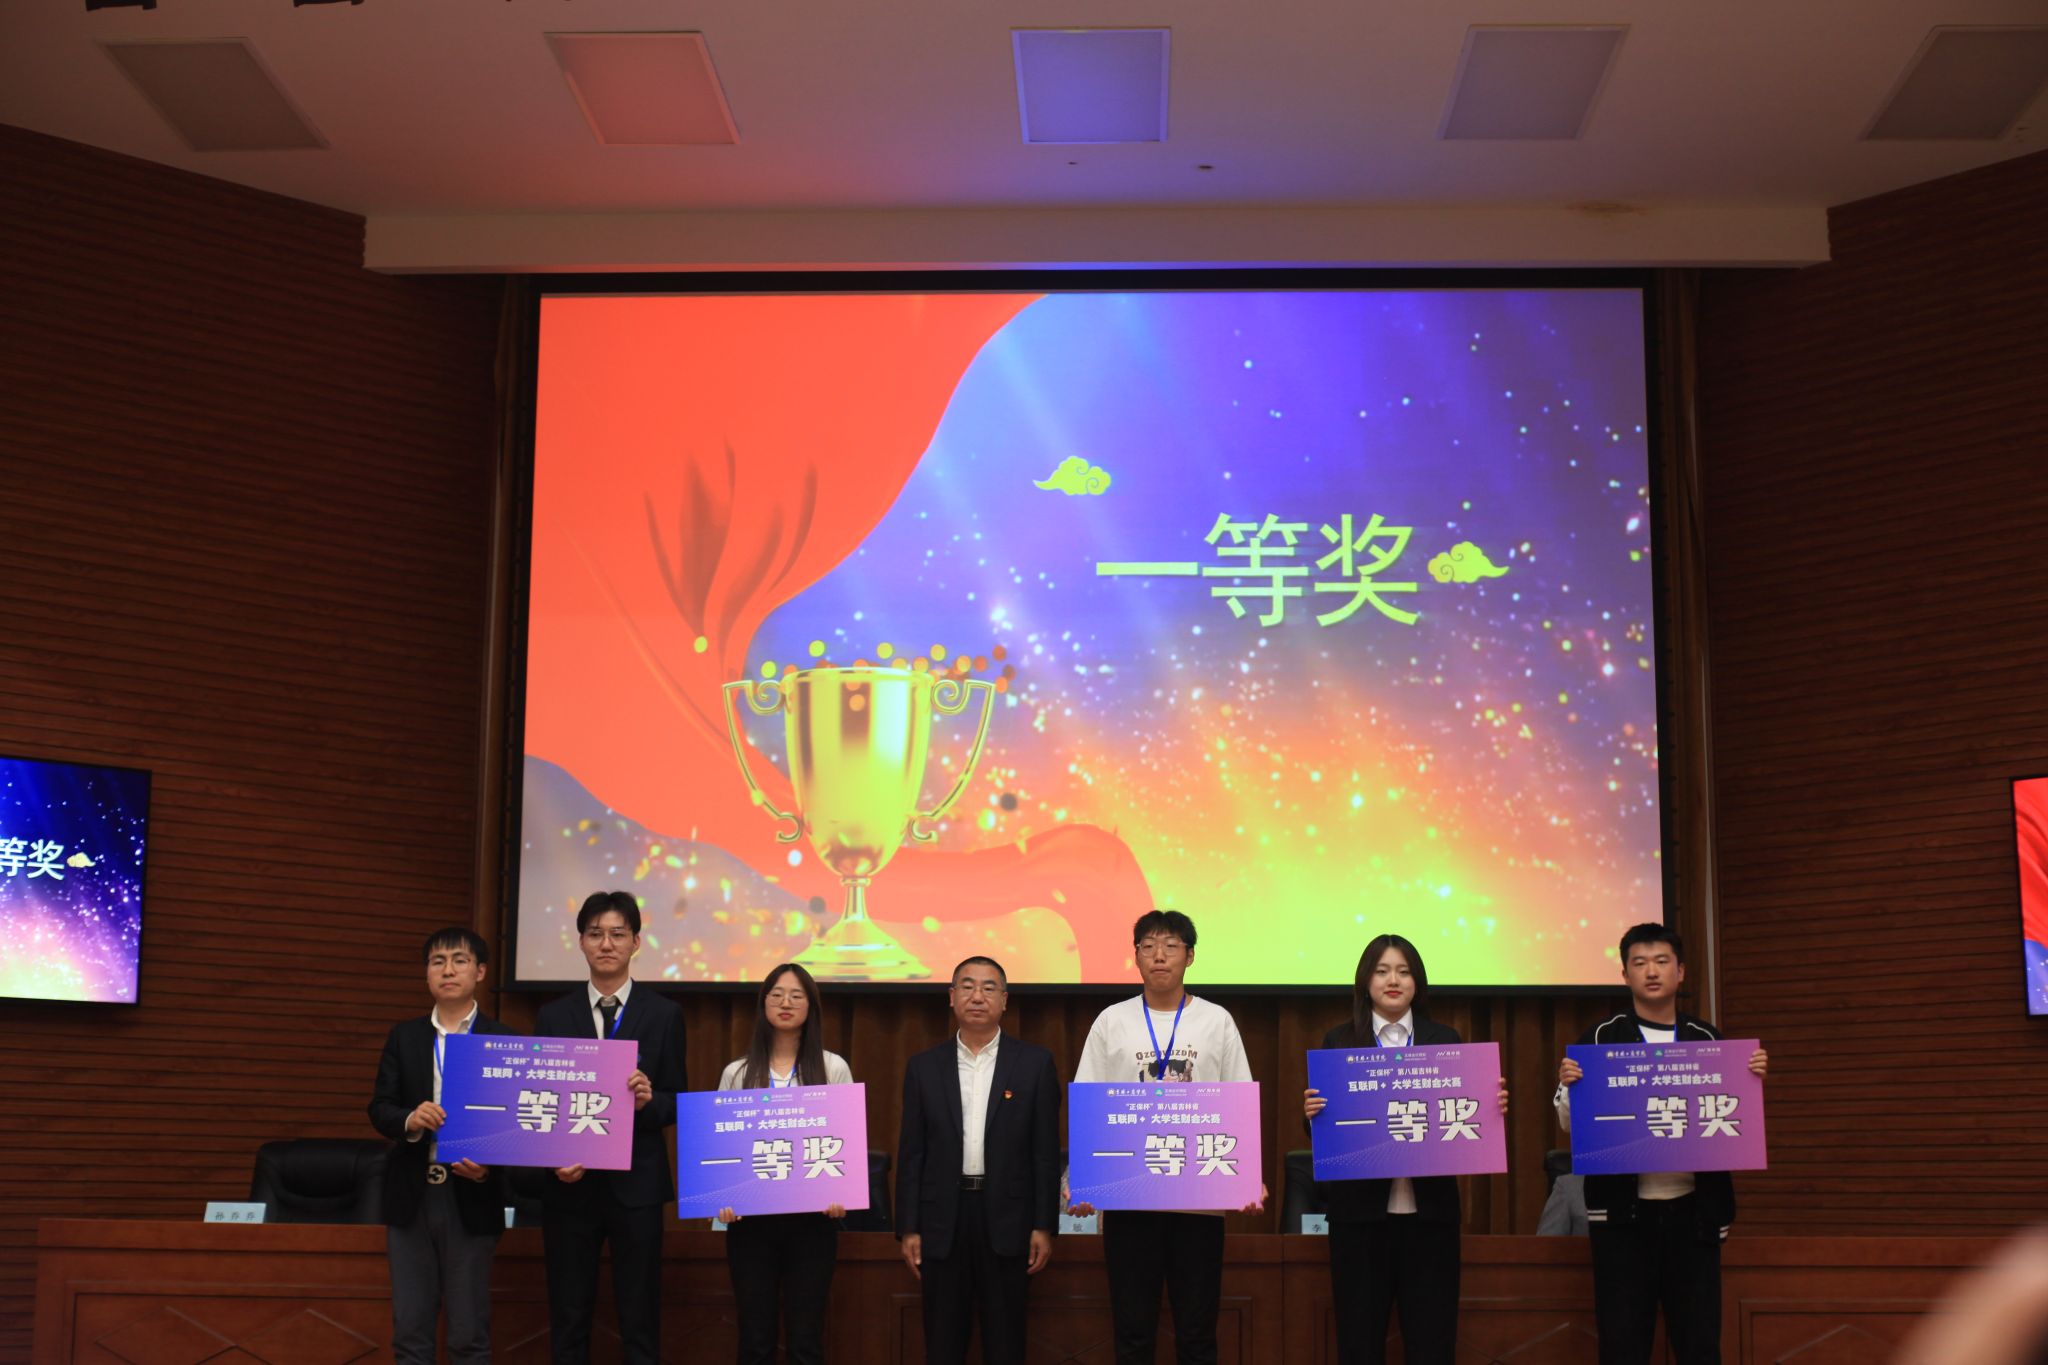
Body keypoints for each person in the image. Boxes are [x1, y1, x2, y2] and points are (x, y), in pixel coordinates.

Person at [1554, 923, 1768, 1365]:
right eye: (1640, 963)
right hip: (1622, 1218)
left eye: (1661, 961)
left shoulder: (1707, 1039)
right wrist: (1570, 1088)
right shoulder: (1601, 1038)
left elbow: (1730, 1120)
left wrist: (1750, 1079)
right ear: (1625, 975)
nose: (1651, 971)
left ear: (1681, 971)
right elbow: (1570, 1125)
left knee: (1698, 1342)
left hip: (1694, 1214)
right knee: (1622, 1343)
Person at [1301, 934, 1509, 1365]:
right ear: (1365, 982)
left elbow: (1462, 1121)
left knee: (1432, 1342)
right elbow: (1326, 1132)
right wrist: (1312, 1114)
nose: (1393, 980)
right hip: (1360, 1221)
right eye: (1382, 971)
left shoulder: (1444, 1039)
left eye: (1403, 971)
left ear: (1418, 982)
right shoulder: (1340, 1041)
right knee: (1359, 1342)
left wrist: (1489, 1106)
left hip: (1430, 1219)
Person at [1069, 909, 1265, 1365]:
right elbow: (1089, 1102)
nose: (1159, 955)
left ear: (1190, 956)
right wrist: (1078, 1177)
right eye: (1149, 946)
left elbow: (1238, 1100)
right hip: (1129, 1203)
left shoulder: (1216, 1021)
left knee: (1197, 1334)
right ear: (1136, 956)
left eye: (1171, 946)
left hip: (1199, 1203)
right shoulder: (1111, 1021)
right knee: (1133, 1333)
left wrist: (1248, 1177)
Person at [537, 890, 688, 1365]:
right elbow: (541, 1101)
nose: (606, 944)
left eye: (618, 934)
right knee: (568, 1314)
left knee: (639, 1315)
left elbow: (676, 1102)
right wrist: (554, 1160)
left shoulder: (664, 1014)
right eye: (595, 934)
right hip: (570, 1186)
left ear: (636, 942)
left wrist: (647, 1100)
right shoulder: (553, 1016)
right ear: (580, 941)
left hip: (636, 1187)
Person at [896, 955, 1061, 1365]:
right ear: (951, 997)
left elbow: (1044, 1152)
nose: (977, 996)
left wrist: (1044, 1225)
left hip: (1009, 1219)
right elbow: (912, 1153)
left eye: (989, 988)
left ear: (1004, 1000)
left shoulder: (1034, 1064)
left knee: (1005, 1343)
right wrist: (908, 1227)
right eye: (967, 986)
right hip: (942, 1221)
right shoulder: (923, 1067)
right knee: (942, 1343)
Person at [367, 926, 517, 1365]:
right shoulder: (405, 1037)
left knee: (469, 1334)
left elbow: (519, 1124)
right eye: (438, 962)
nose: (448, 970)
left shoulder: (504, 1040)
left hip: (471, 1193)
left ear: (480, 971)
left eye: (459, 960)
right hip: (412, 1194)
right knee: (411, 1330)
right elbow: (380, 1107)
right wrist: (410, 1120)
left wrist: (488, 1167)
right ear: (427, 973)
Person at [714, 961, 854, 1365]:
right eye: (777, 995)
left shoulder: (832, 1068)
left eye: (796, 995)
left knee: (806, 1340)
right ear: (764, 1004)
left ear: (811, 1007)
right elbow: (721, 1146)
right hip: (751, 1225)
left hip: (812, 1223)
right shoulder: (738, 1072)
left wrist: (841, 1193)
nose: (786, 1003)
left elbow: (844, 1140)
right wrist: (722, 1201)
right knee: (755, 1339)